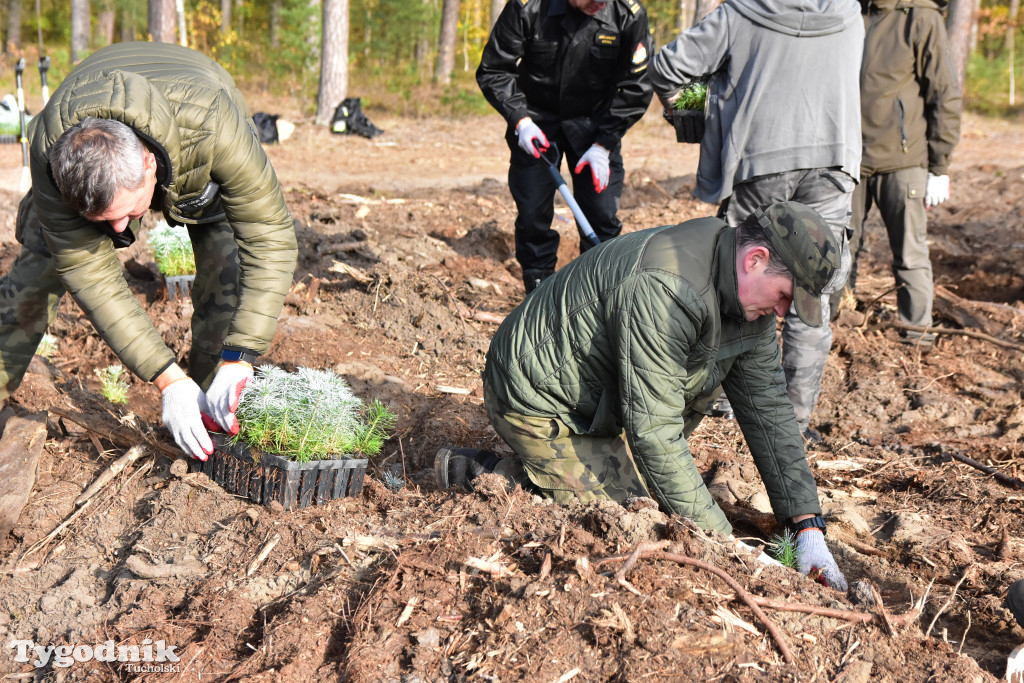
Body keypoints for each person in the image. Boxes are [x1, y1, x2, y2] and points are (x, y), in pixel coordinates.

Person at [436, 201, 849, 590]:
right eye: (784, 296)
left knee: (665, 495)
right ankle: (486, 473)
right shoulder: (667, 287)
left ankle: (604, 464)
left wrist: (806, 523)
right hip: (537, 395)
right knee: (629, 519)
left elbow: (769, 410)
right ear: (754, 259)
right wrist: (728, 550)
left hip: (603, 401)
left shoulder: (744, 299)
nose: (782, 312)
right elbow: (654, 431)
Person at [0, 42, 298, 460]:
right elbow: (90, 276)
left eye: (124, 214)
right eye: (104, 220)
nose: (121, 230)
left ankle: (214, 419)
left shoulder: (213, 124)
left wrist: (241, 355)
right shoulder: (50, 149)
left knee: (227, 275)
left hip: (194, 135)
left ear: (148, 164)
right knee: (38, 269)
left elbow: (269, 234)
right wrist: (166, 379)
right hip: (90, 109)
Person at [647, 0, 863, 439]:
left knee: (742, 273)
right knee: (812, 285)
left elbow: (668, 67)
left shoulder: (741, 13)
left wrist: (695, 111)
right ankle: (795, 422)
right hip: (836, 161)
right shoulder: (849, 12)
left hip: (762, 160)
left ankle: (728, 400)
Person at [476, 0, 654, 294]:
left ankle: (599, 294)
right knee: (533, 215)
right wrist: (520, 120)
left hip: (595, 128)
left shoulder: (627, 14)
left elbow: (637, 86)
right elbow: (494, 69)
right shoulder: (528, 7)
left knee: (601, 214)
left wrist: (604, 144)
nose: (600, 3)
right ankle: (539, 293)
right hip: (536, 124)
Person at [830, 0, 961, 347]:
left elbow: (944, 91)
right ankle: (836, 321)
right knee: (839, 245)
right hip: (848, 158)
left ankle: (917, 336)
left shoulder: (921, 17)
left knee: (910, 252)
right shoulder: (847, 12)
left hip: (903, 161)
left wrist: (939, 166)